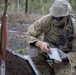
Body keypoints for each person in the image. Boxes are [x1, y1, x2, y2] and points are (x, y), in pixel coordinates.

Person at [24, 0, 76, 75]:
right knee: (31, 50)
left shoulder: (74, 27)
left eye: (59, 18)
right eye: (54, 16)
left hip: (63, 58)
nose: (55, 20)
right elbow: (27, 35)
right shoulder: (46, 20)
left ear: (66, 15)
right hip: (47, 51)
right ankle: (47, 72)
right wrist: (39, 43)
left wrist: (65, 57)